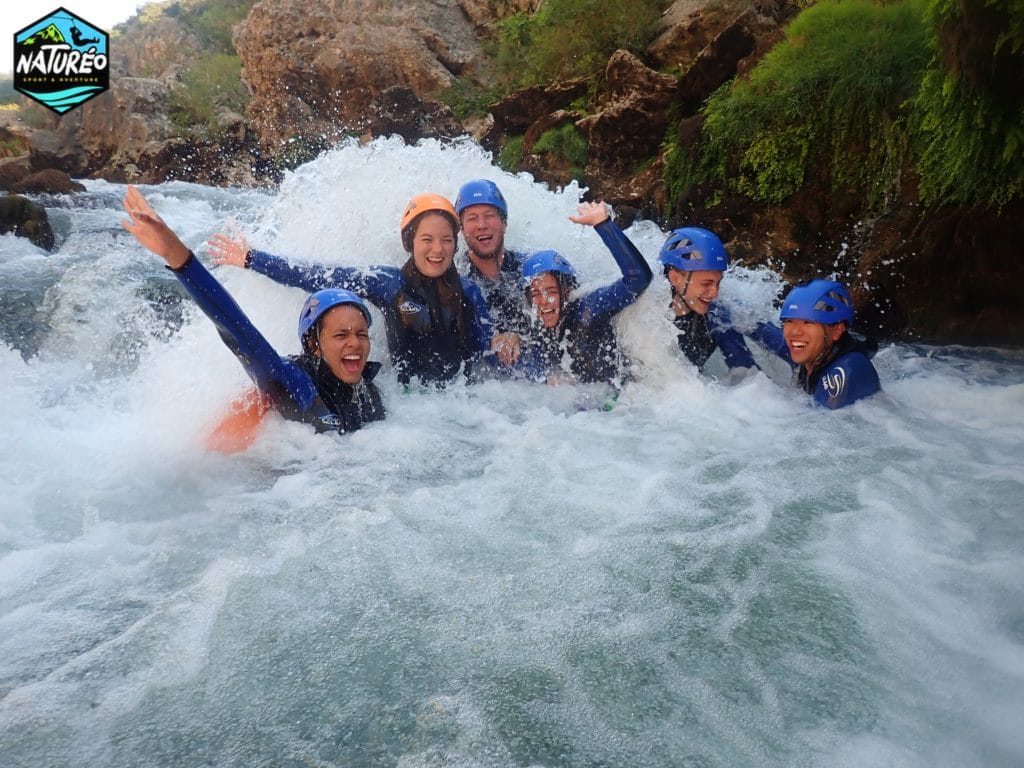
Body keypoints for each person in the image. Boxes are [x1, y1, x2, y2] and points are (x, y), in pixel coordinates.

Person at [121, 185, 385, 434]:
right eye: (341, 335)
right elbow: (237, 329)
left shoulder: (369, 392)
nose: (355, 343)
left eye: (361, 334)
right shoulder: (291, 380)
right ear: (314, 345)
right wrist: (177, 257)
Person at [208, 193, 492, 387]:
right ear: (410, 242)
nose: (437, 250)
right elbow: (319, 275)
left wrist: (505, 339)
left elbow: (485, 353)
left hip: (463, 403)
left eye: (446, 240)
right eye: (427, 239)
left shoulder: (469, 292)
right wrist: (252, 259)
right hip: (409, 403)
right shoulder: (388, 283)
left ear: (456, 244)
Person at [511, 201, 653, 386]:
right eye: (536, 294)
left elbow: (638, 279)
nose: (543, 302)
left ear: (568, 291)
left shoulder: (589, 309)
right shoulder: (537, 329)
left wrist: (603, 224)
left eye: (551, 292)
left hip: (626, 395)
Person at [658, 226, 782, 375]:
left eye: (718, 282)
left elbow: (750, 378)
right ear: (675, 279)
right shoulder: (642, 315)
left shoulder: (718, 315)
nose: (715, 293)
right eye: (706, 283)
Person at [453, 179, 529, 364]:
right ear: (461, 229)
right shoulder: (455, 278)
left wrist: (520, 337)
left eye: (489, 215)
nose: (482, 225)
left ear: (504, 223)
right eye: (472, 218)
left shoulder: (528, 268)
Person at [773, 278, 881, 408]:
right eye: (790, 321)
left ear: (837, 330)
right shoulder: (815, 351)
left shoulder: (847, 370)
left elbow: (816, 424)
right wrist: (748, 322)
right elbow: (767, 335)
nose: (795, 332)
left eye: (808, 322)